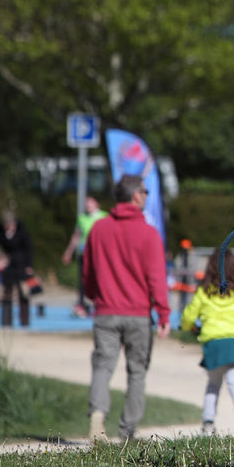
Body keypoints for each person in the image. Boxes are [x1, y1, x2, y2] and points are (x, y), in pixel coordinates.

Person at [83, 174, 171, 442]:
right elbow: (156, 278)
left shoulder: (98, 228)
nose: (146, 196)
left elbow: (88, 272)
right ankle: (127, 430)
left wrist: (92, 295)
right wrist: (164, 312)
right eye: (144, 192)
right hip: (138, 315)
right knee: (137, 371)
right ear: (135, 196)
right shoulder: (148, 233)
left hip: (106, 311)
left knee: (102, 366)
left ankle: (98, 415)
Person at [181, 249, 234, 435]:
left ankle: (208, 423)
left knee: (213, 384)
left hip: (213, 342)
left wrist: (188, 326)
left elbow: (189, 316)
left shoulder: (205, 291)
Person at [61, 196, 108, 317]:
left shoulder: (104, 216)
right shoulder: (82, 218)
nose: (88, 206)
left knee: (100, 279)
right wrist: (69, 252)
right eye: (86, 205)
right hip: (85, 252)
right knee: (83, 279)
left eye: (90, 204)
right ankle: (81, 304)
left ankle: (99, 304)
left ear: (96, 204)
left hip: (99, 253)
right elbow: (76, 236)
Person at [0, 208, 34, 328]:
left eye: (10, 224)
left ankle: (25, 322)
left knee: (23, 294)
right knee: (6, 293)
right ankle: (6, 322)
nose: (8, 227)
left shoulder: (22, 231)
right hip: (7, 264)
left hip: (21, 264)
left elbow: (29, 248)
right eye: (6, 225)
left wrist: (29, 265)